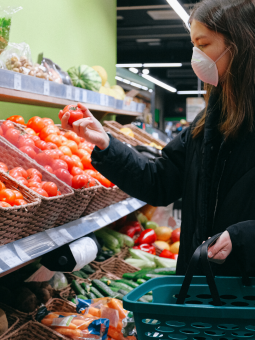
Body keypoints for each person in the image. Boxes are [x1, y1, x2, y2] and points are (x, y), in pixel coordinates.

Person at [60, 0, 255, 276]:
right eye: (193, 45)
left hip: (246, 294)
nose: (195, 56)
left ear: (240, 46)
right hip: (201, 289)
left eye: (203, 45)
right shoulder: (207, 123)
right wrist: (105, 143)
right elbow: (159, 182)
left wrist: (243, 237)